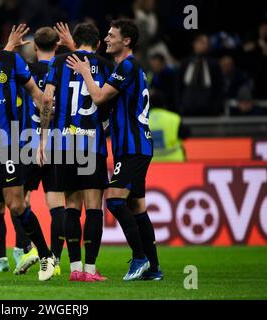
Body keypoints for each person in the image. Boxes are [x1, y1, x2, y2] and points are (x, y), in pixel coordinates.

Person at [66, 19, 163, 281]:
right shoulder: (130, 68)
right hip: (133, 146)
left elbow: (98, 97)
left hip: (133, 147)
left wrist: (85, 72)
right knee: (137, 207)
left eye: (111, 35)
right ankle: (153, 269)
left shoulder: (127, 66)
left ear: (126, 40)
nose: (106, 39)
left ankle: (140, 257)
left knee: (115, 201)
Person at [0, 14, 55, 281]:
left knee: (16, 205)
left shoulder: (10, 60)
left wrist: (43, 138)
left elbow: (38, 97)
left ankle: (46, 255)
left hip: (7, 146)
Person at [41, 23, 114, 282]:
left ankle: (74, 269)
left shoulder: (58, 62)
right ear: (97, 44)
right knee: (94, 207)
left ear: (76, 40)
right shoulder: (106, 65)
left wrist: (42, 140)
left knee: (71, 205)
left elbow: (47, 100)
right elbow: (107, 102)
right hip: (91, 143)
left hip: (63, 143)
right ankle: (91, 270)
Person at [4, 25, 66, 276]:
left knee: (20, 202)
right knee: (57, 203)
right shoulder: (64, 71)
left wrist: (10, 46)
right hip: (60, 143)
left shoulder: (24, 71)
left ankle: (30, 249)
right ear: (58, 46)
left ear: (35, 47)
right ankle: (56, 260)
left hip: (27, 142)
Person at [149, 92, 189, 162]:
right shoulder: (174, 118)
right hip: (175, 161)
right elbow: (185, 134)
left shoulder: (143, 120)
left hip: (151, 162)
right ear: (164, 104)